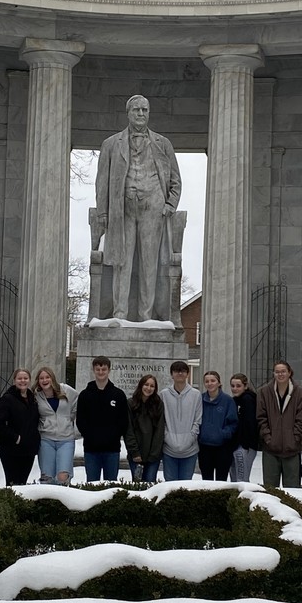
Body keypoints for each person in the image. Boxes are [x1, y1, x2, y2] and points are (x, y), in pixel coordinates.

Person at [95, 94, 182, 321]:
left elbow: (175, 179)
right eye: (136, 110)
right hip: (121, 209)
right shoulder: (111, 144)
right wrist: (103, 212)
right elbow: (102, 181)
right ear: (128, 113)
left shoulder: (163, 144)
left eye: (144, 110)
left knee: (149, 265)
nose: (141, 114)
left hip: (153, 207)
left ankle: (146, 317)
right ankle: (119, 314)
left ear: (149, 113)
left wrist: (169, 205)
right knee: (121, 262)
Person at [76, 356, 129, 482]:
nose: (101, 372)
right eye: (98, 369)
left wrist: (112, 436)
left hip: (112, 449)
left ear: (109, 370)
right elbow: (81, 421)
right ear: (93, 370)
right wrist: (91, 437)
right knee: (92, 484)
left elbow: (123, 421)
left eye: (103, 369)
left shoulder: (118, 394)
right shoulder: (85, 395)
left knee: (111, 485)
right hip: (91, 449)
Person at [256, 361, 302, 488]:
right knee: (270, 489)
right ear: (273, 374)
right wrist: (268, 438)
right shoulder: (264, 392)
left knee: (293, 490)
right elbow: (261, 418)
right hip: (270, 449)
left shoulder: (299, 393)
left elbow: (301, 420)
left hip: (292, 449)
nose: (280, 374)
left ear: (289, 373)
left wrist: (295, 439)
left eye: (283, 371)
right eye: (277, 372)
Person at [0, 368, 40, 485]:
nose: (22, 381)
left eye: (25, 378)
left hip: (28, 450)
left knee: (23, 483)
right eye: (19, 378)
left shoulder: (33, 398)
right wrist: (15, 438)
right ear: (14, 380)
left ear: (29, 380)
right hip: (11, 449)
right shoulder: (7, 398)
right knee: (12, 484)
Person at [34, 367, 79, 485]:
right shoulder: (36, 396)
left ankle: (62, 501)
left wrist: (70, 418)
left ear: (52, 378)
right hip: (46, 439)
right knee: (47, 477)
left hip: (66, 439)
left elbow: (77, 401)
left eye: (47, 377)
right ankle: (48, 502)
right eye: (41, 378)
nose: (45, 380)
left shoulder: (66, 390)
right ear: (38, 381)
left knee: (63, 476)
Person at [160, 360, 202, 480]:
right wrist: (167, 437)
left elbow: (197, 420)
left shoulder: (196, 394)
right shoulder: (164, 394)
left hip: (190, 450)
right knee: (170, 487)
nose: (180, 373)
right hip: (169, 450)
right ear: (171, 374)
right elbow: (161, 421)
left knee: (186, 486)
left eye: (183, 371)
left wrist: (190, 437)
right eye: (176, 371)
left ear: (187, 374)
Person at [124, 374, 165, 483]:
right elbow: (128, 430)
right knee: (137, 487)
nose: (148, 388)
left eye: (152, 386)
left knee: (150, 485)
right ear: (141, 385)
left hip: (153, 456)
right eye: (146, 384)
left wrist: (154, 454)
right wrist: (135, 452)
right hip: (136, 456)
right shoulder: (130, 403)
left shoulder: (158, 404)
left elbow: (159, 431)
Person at [199, 371, 238, 481]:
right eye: (207, 381)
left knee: (221, 481)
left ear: (219, 383)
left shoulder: (228, 401)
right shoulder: (200, 399)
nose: (210, 383)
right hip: (204, 447)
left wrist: (222, 434)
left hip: (223, 448)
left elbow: (233, 422)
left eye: (213, 381)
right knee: (206, 482)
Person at [229, 374, 260, 482]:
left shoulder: (248, 399)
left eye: (238, 386)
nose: (235, 389)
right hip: (236, 444)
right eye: (232, 386)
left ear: (245, 386)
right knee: (235, 476)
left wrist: (245, 444)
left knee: (241, 479)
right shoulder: (234, 400)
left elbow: (250, 423)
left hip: (244, 445)